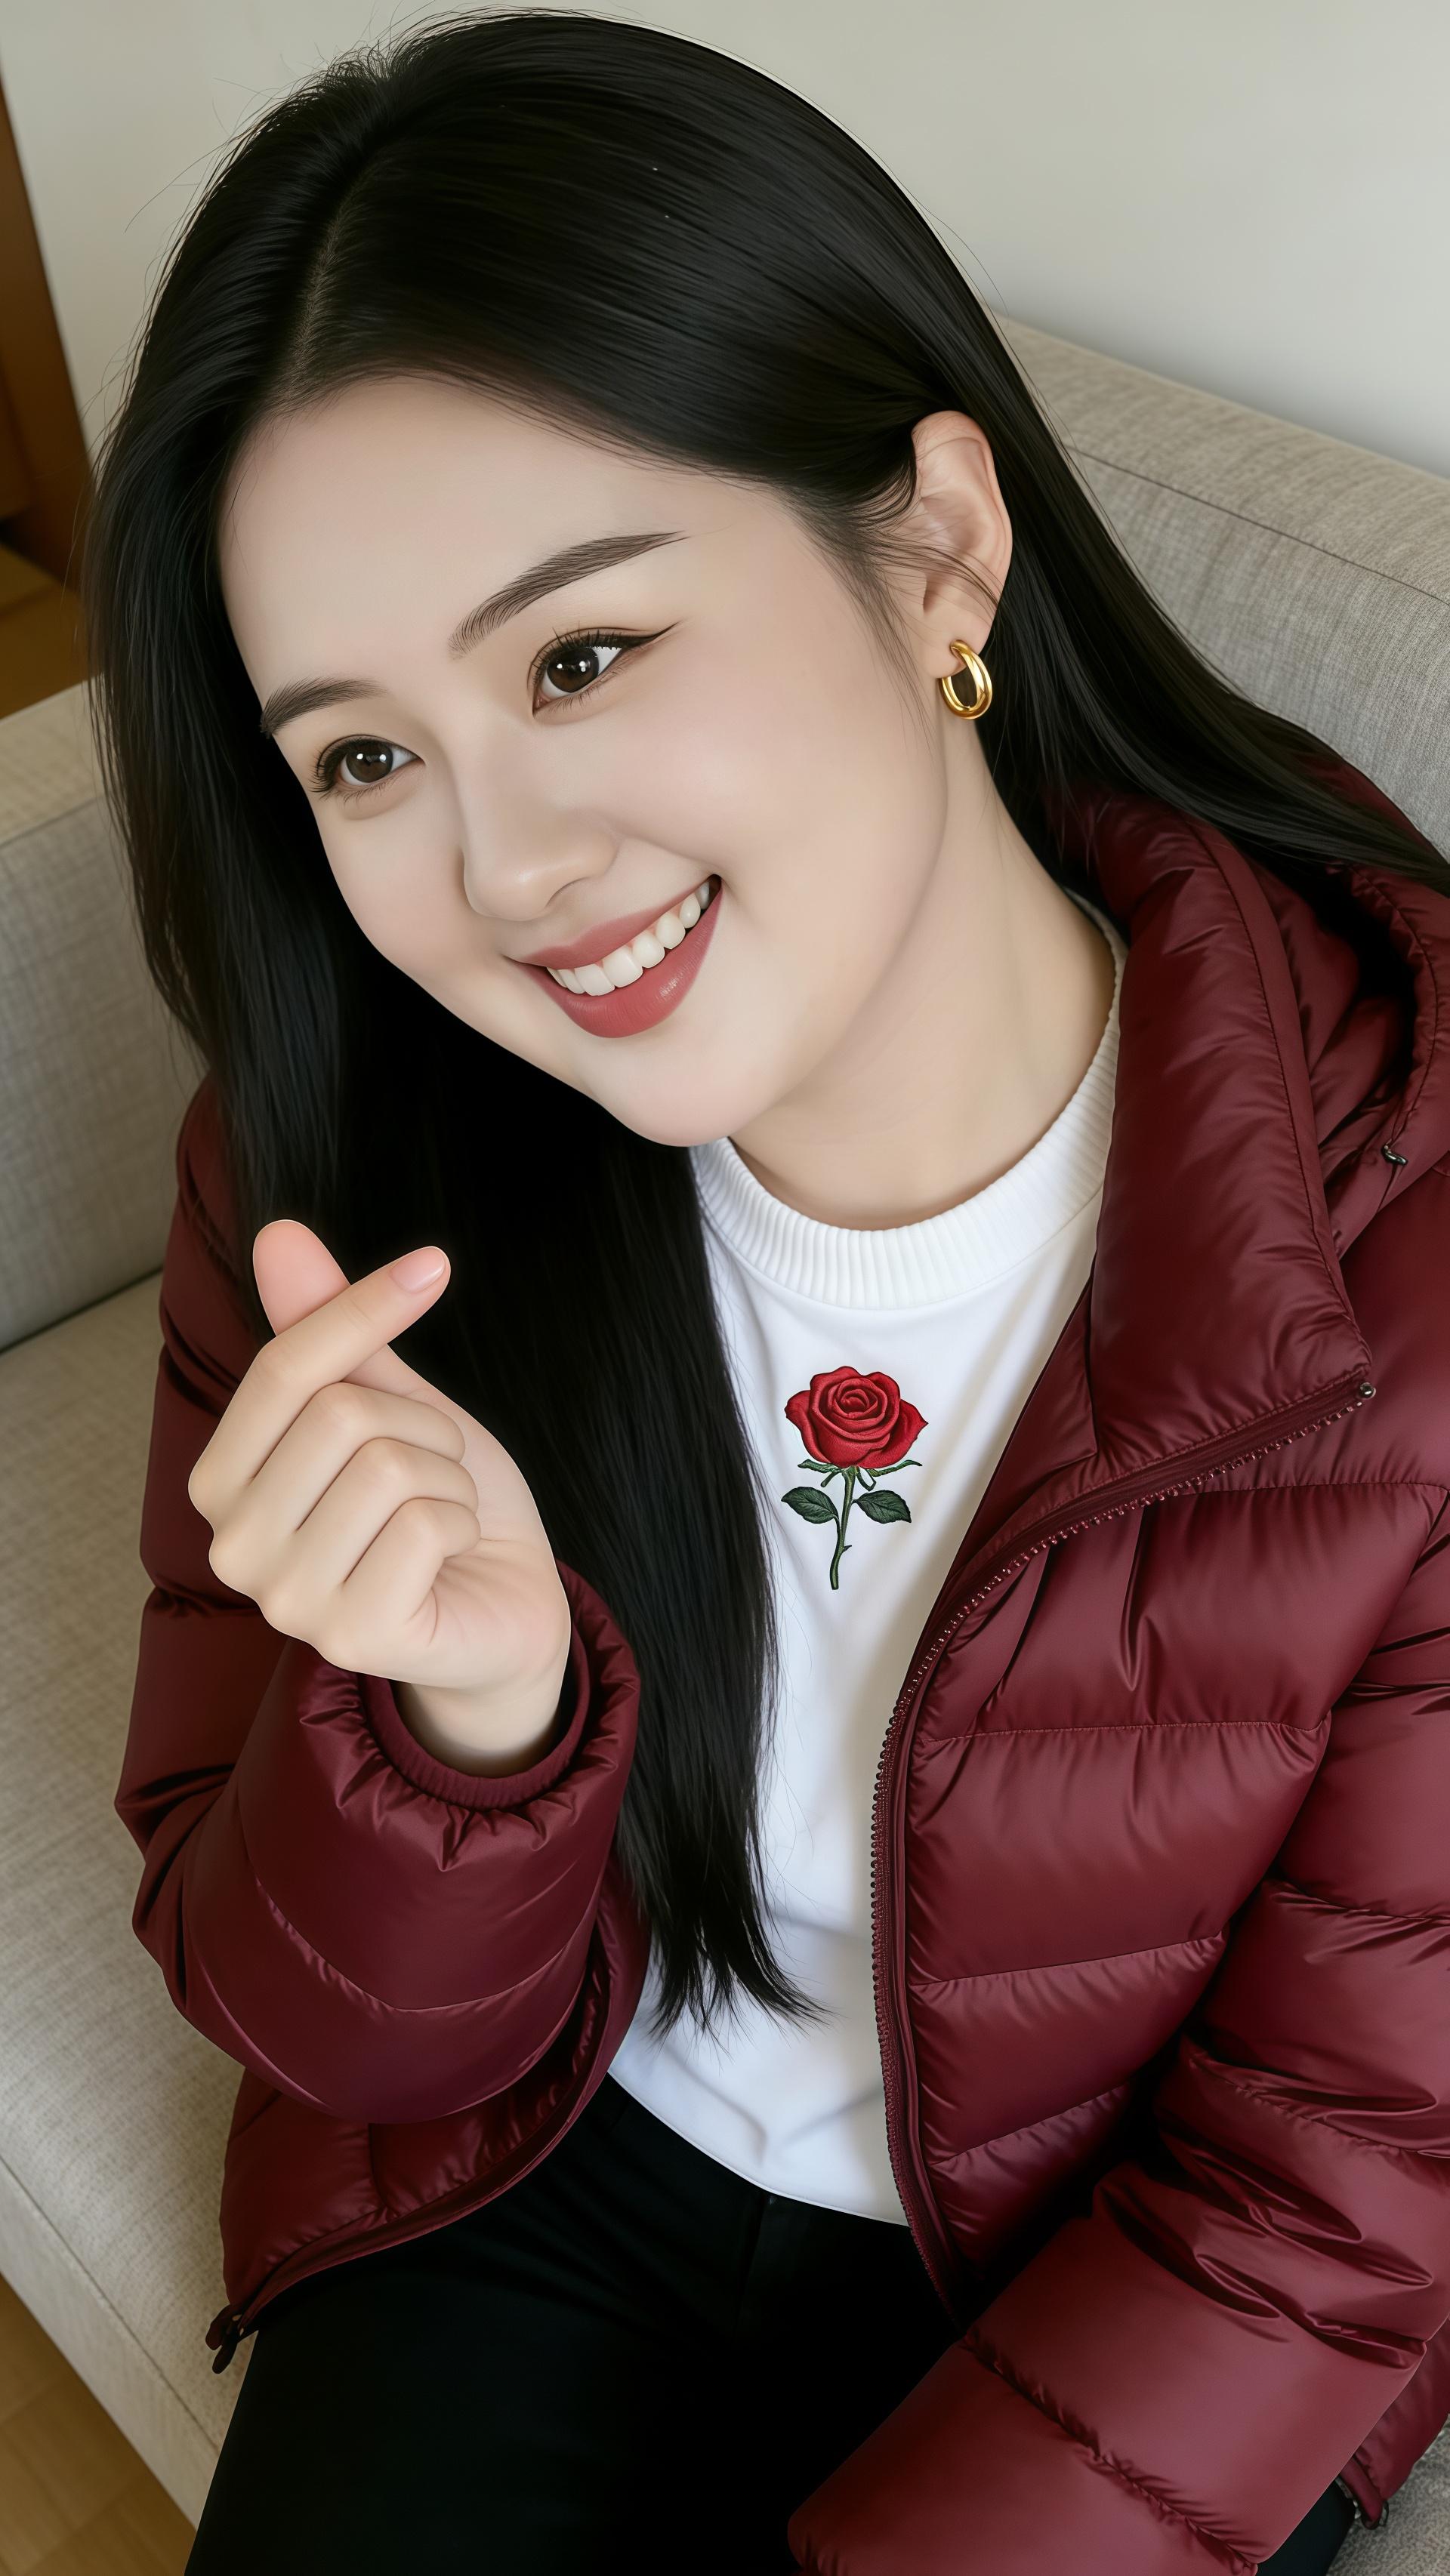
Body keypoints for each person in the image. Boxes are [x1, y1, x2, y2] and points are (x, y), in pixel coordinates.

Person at [90, 12, 1450, 2571]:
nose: (507, 871)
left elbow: (1329, 2201)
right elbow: (307, 2009)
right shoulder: (338, 1172)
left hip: (1068, 2254)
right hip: (532, 2165)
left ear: (935, 548)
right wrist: (468, 1727)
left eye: (579, 656)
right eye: (364, 756)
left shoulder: (1413, 1244)